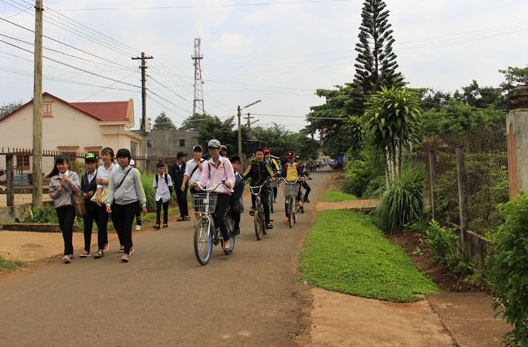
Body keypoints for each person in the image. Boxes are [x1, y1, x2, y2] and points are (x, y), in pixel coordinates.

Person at [106, 148, 147, 263]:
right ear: (117, 159)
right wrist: (108, 203)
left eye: (124, 157)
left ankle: (126, 252)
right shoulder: (114, 171)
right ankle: (127, 244)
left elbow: (139, 188)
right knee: (118, 226)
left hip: (131, 203)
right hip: (117, 203)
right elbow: (111, 188)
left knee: (127, 226)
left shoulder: (134, 172)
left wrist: (143, 203)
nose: (122, 159)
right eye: (119, 157)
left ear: (128, 159)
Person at [196, 139, 236, 252]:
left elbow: (231, 177)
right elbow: (203, 179)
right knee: (211, 215)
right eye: (210, 149)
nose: (213, 151)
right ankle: (215, 232)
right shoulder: (207, 164)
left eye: (215, 149)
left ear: (219, 149)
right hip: (212, 192)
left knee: (219, 216)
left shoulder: (225, 162)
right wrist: (198, 184)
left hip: (224, 192)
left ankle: (227, 240)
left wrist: (229, 183)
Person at [47, 155, 81, 264]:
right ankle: (69, 250)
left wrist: (69, 180)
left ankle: (67, 253)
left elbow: (77, 189)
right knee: (64, 229)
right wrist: (57, 191)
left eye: (63, 164)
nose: (61, 166)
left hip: (71, 205)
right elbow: (52, 195)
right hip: (59, 206)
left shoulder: (73, 175)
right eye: (59, 164)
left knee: (67, 227)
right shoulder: (54, 178)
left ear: (67, 164)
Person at [243, 148, 275, 230]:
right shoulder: (251, 165)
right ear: (255, 156)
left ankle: (267, 222)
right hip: (254, 186)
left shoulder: (265, 164)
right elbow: (245, 174)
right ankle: (254, 207)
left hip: (264, 186)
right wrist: (241, 179)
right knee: (253, 196)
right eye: (258, 154)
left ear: (263, 156)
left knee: (265, 203)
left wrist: (273, 178)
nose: (259, 156)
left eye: (261, 154)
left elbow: (271, 173)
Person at [93, 147, 115, 259]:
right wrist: (98, 196)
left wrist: (102, 181)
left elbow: (115, 183)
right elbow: (98, 184)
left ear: (111, 156)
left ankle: (125, 244)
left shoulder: (115, 168)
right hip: (103, 196)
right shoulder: (100, 169)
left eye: (107, 155)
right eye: (103, 155)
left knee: (118, 222)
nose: (105, 157)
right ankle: (100, 248)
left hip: (115, 197)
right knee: (101, 223)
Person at [79, 152, 99, 258]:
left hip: (97, 204)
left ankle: (101, 247)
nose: (90, 165)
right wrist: (83, 193)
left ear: (96, 163)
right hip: (87, 204)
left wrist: (94, 191)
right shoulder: (83, 176)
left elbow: (101, 187)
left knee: (100, 225)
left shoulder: (99, 174)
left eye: (92, 163)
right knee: (87, 227)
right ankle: (87, 249)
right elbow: (82, 187)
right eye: (88, 163)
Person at [282, 150, 302, 222]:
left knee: (298, 189)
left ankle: (299, 201)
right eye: (289, 158)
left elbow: (300, 174)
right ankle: (287, 216)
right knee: (287, 200)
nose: (290, 159)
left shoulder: (297, 165)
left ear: (294, 158)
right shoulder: (286, 166)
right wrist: (281, 178)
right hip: (287, 182)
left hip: (295, 182)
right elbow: (283, 174)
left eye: (291, 158)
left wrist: (301, 177)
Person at [153, 161, 173, 229]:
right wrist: (158, 191)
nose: (162, 170)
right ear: (157, 169)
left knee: (165, 209)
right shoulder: (156, 176)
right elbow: (155, 186)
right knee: (158, 209)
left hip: (165, 194)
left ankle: (165, 222)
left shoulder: (167, 176)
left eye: (163, 168)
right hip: (159, 194)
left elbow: (170, 185)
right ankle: (158, 223)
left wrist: (169, 193)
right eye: (160, 168)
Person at [171, 151, 190, 221]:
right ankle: (182, 215)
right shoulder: (173, 166)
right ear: (180, 158)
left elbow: (188, 174)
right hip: (177, 185)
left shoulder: (186, 165)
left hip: (184, 185)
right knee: (179, 199)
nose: (184, 158)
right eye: (183, 157)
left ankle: (187, 214)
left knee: (183, 198)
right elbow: (172, 176)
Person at [229, 155, 245, 235]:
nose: (235, 165)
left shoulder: (241, 177)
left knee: (235, 209)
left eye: (237, 164)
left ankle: (236, 227)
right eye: (233, 163)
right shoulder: (225, 175)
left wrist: (231, 200)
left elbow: (239, 192)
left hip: (235, 198)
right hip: (225, 196)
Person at [130, 159, 142, 231]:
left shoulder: (136, 172)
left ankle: (139, 223)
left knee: (137, 210)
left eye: (131, 165)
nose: (130, 166)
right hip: (129, 195)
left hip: (135, 194)